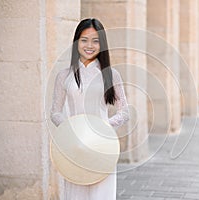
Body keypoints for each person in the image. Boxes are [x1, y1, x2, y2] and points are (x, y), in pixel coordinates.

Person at [50, 18, 129, 200]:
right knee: (75, 194)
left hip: (102, 146)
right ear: (76, 41)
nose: (89, 46)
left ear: (102, 44)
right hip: (74, 147)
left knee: (101, 194)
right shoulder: (64, 76)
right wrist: (72, 129)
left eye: (95, 41)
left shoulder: (111, 75)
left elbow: (124, 111)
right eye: (84, 40)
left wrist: (102, 128)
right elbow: (55, 112)